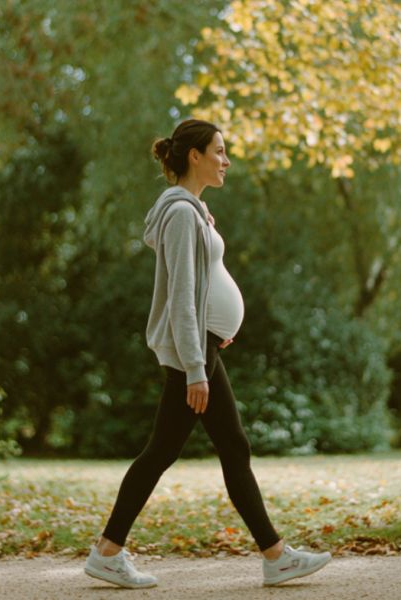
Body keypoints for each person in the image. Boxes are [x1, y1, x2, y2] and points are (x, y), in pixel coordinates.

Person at [83, 119, 332, 588]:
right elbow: (181, 296)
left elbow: (199, 286)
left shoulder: (189, 212)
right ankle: (272, 555)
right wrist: (196, 366)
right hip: (193, 355)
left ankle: (110, 551)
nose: (226, 160)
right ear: (194, 156)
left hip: (202, 346)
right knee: (198, 449)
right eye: (218, 151)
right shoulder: (181, 215)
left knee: (180, 449)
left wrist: (217, 326)